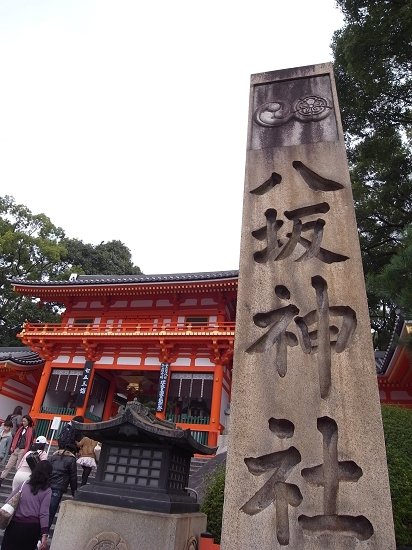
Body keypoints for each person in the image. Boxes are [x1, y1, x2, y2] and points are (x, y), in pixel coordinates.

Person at [1, 460, 52, 550]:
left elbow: (8, 500)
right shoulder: (47, 490)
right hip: (32, 528)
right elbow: (44, 513)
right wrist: (44, 534)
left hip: (14, 525)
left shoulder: (24, 484)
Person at [0, 415, 35, 486]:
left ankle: (17, 481)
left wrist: (26, 449)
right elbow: (16, 437)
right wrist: (13, 446)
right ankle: (1, 478)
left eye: (25, 421)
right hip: (16, 448)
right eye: (22, 421)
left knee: (18, 466)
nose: (23, 422)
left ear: (29, 421)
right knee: (8, 465)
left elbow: (30, 441)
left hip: (23, 449)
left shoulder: (32, 430)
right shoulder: (20, 428)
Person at [48, 443, 78, 527]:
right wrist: (74, 491)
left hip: (47, 485)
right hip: (59, 487)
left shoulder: (53, 457)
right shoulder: (71, 460)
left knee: (43, 509)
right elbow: (73, 477)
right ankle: (44, 533)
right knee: (51, 510)